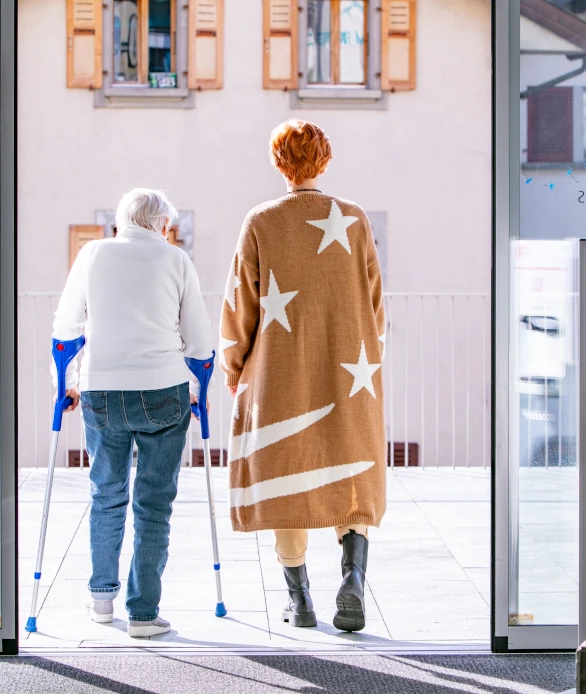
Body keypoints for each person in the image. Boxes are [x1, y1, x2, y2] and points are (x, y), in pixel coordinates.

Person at [219, 120, 386, 632]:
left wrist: (233, 366)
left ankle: (302, 600)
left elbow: (239, 306)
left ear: (279, 163)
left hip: (280, 372)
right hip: (349, 370)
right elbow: (376, 307)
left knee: (285, 470)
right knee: (350, 464)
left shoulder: (261, 221)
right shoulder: (354, 219)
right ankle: (352, 578)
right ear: (325, 160)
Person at [52, 188, 214, 638]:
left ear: (120, 223)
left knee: (106, 493)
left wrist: (64, 385)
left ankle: (101, 601)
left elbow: (65, 331)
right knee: (154, 503)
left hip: (102, 389)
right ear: (162, 226)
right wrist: (199, 390)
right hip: (163, 389)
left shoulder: (92, 254)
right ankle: (144, 613)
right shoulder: (177, 260)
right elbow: (199, 342)